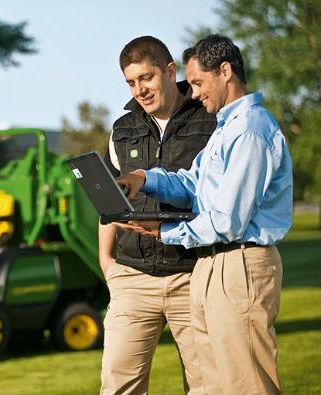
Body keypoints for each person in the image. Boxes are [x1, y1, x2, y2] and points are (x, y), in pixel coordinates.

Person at [117, 34, 293, 395]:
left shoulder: (250, 130)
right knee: (212, 385)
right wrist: (143, 179)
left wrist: (165, 232)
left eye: (198, 82)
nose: (194, 93)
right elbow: (193, 183)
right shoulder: (227, 127)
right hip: (211, 265)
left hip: (239, 264)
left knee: (247, 385)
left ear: (225, 71)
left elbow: (228, 220)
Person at [99, 36, 216, 395]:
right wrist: (107, 263)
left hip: (193, 275)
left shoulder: (208, 118)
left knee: (208, 386)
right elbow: (108, 202)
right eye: (131, 83)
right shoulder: (122, 129)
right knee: (118, 387)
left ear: (169, 71)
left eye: (146, 78)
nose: (140, 90)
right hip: (132, 278)